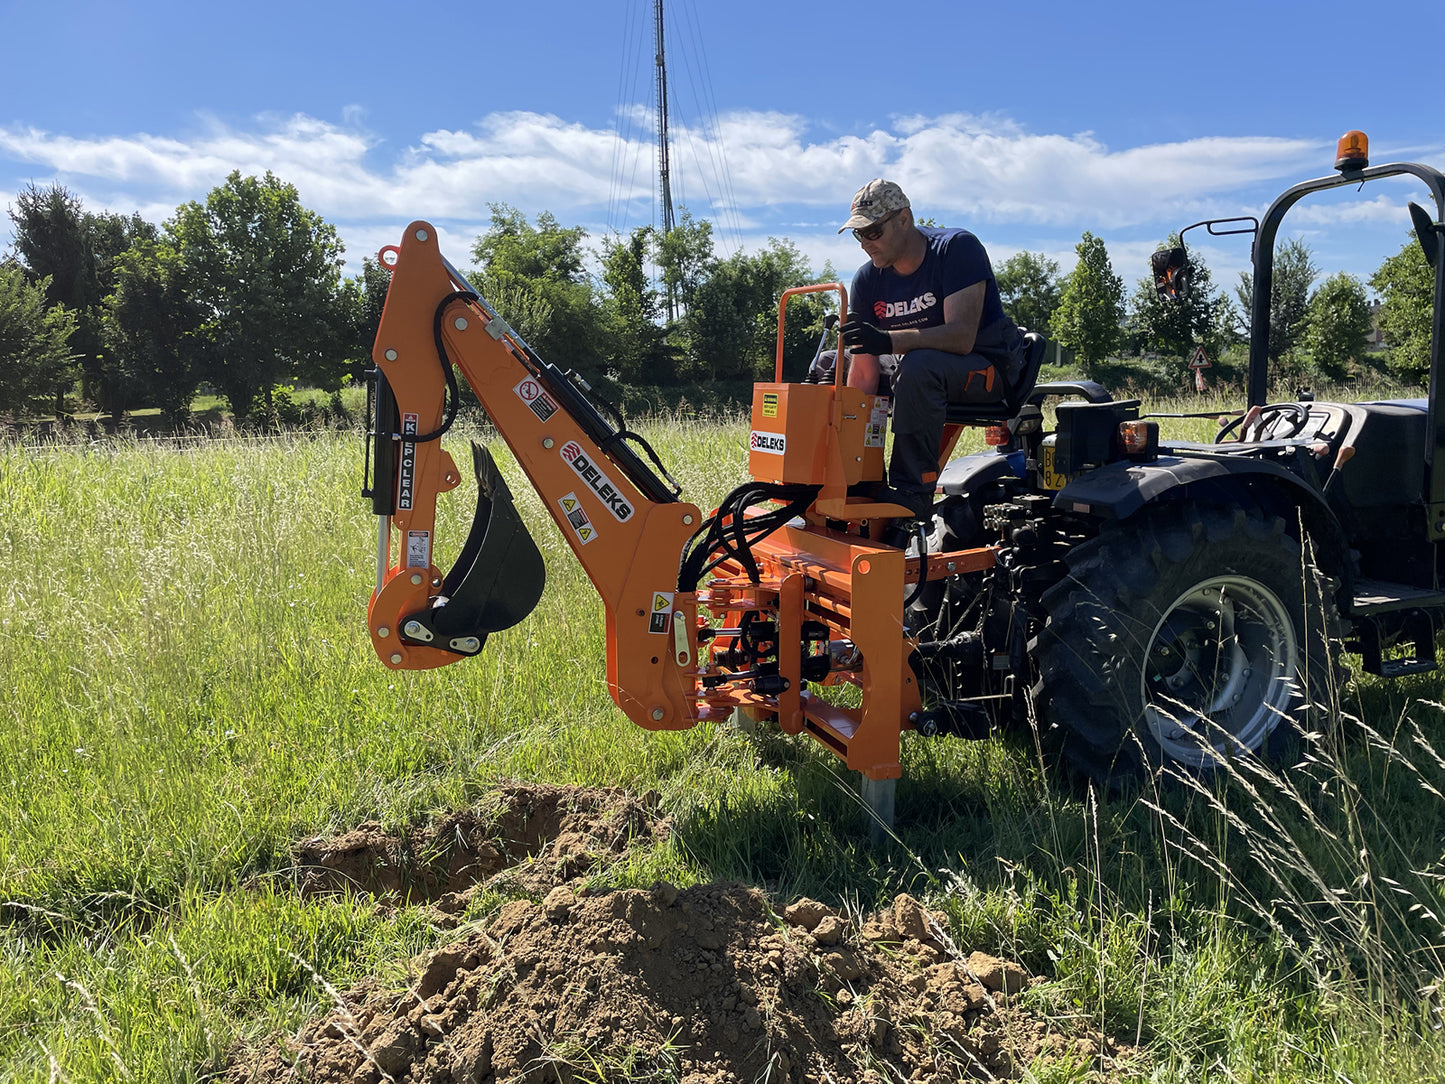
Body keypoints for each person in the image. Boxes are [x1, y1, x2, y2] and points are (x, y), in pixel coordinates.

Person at [838, 179, 1024, 519]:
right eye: (858, 235)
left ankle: (913, 491)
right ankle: (852, 477)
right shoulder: (868, 279)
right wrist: (850, 442)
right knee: (829, 366)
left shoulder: (956, 249)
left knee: (920, 366)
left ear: (904, 219)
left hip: (984, 367)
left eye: (873, 232)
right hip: (916, 366)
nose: (865, 244)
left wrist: (889, 341)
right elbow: (864, 371)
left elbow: (961, 336)